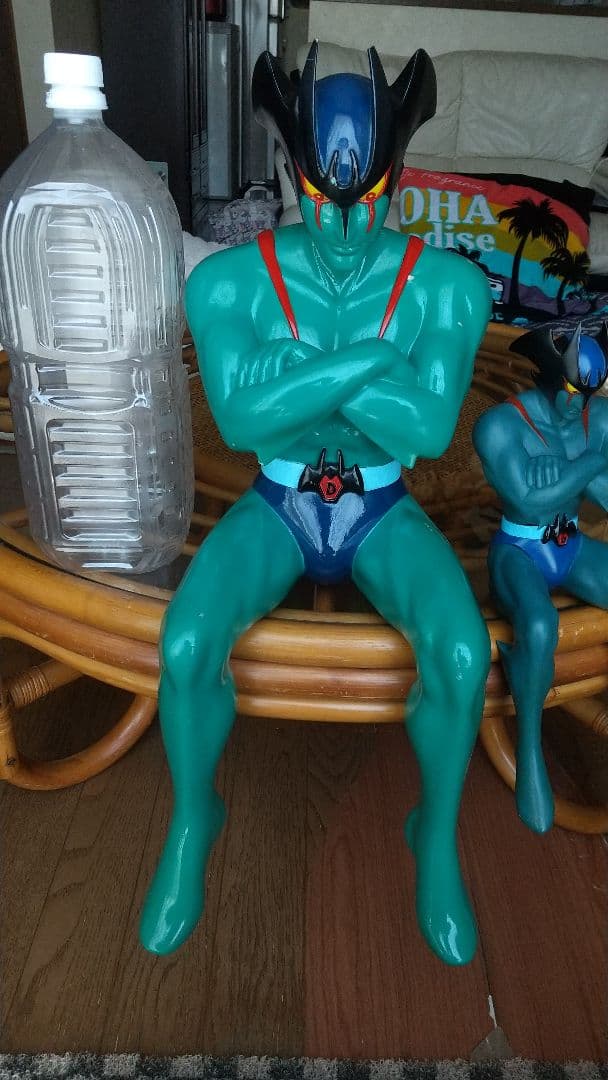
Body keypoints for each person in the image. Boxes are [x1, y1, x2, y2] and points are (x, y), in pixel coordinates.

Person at [140, 43, 492, 966]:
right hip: (279, 500)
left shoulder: (449, 287)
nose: (343, 226)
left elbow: (427, 431)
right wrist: (379, 364)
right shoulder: (227, 279)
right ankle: (194, 817)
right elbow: (238, 417)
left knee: (463, 652)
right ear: (293, 175)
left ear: (396, 178)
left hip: (380, 506)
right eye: (322, 199)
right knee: (185, 646)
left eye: (367, 200)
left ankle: (435, 835)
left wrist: (308, 373)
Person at [473, 323, 608, 833]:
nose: (578, 405)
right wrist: (590, 463)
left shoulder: (597, 417)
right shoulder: (499, 425)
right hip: (519, 550)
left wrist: (573, 471)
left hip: (569, 543)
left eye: (589, 392)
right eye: (571, 389)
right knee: (537, 625)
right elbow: (528, 500)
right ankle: (529, 739)